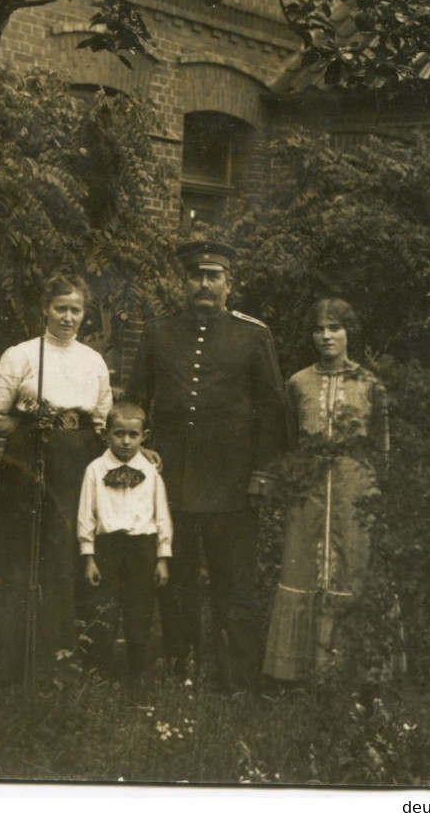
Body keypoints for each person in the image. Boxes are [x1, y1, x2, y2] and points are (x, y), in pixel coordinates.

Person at [126, 239, 287, 693]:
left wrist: (262, 473)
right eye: (196, 276)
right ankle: (182, 668)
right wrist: (142, 452)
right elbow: (135, 401)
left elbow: (272, 412)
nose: (204, 284)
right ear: (184, 281)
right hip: (171, 481)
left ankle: (237, 678)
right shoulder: (159, 333)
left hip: (234, 484)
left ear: (228, 283)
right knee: (175, 583)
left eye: (213, 276)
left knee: (234, 584)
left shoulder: (253, 335)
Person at [0, 272, 113, 685]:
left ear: (84, 314)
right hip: (31, 463)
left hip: (80, 464)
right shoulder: (20, 355)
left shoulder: (93, 360)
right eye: (61, 308)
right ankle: (18, 663)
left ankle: (73, 659)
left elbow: (102, 419)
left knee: (73, 551)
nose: (69, 318)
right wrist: (30, 427)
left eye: (76, 310)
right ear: (45, 310)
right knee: (26, 555)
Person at [263, 298, 390, 684]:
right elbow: (287, 441)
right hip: (309, 490)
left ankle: (353, 672)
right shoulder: (298, 383)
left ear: (349, 332)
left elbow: (382, 448)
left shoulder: (370, 385)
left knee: (353, 567)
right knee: (302, 565)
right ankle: (297, 671)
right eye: (318, 329)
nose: (326, 336)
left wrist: (377, 492)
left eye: (334, 328)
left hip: (356, 489)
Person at [77, 402, 172, 700]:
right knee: (103, 607)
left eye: (134, 435)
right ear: (106, 435)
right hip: (107, 547)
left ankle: (136, 674)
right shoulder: (95, 470)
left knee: (139, 608)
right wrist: (88, 556)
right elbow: (86, 514)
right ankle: (99, 672)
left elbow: (161, 516)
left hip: (142, 548)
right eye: (119, 434)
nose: (127, 442)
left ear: (145, 436)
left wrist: (162, 558)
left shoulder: (151, 472)